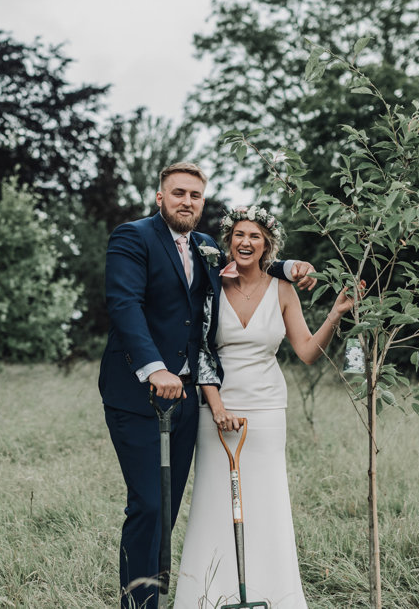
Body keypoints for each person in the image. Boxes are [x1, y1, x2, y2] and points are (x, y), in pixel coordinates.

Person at [100, 164, 315, 609]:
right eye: (178, 193)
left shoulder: (206, 247)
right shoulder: (132, 237)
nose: (187, 201)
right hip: (139, 393)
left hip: (186, 401)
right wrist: (154, 367)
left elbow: (255, 261)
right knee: (149, 508)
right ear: (160, 197)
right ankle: (138, 606)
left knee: (168, 511)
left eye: (195, 195)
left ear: (202, 202)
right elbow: (124, 304)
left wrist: (293, 267)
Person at [173, 206, 358, 609]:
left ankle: (273, 596)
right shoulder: (211, 286)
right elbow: (201, 350)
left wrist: (335, 315)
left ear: (267, 244)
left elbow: (307, 351)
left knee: (268, 502)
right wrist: (217, 407)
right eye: (239, 234)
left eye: (255, 236)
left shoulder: (283, 289)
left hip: (268, 408)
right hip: (217, 409)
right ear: (228, 240)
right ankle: (206, 596)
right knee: (213, 501)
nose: (245, 241)